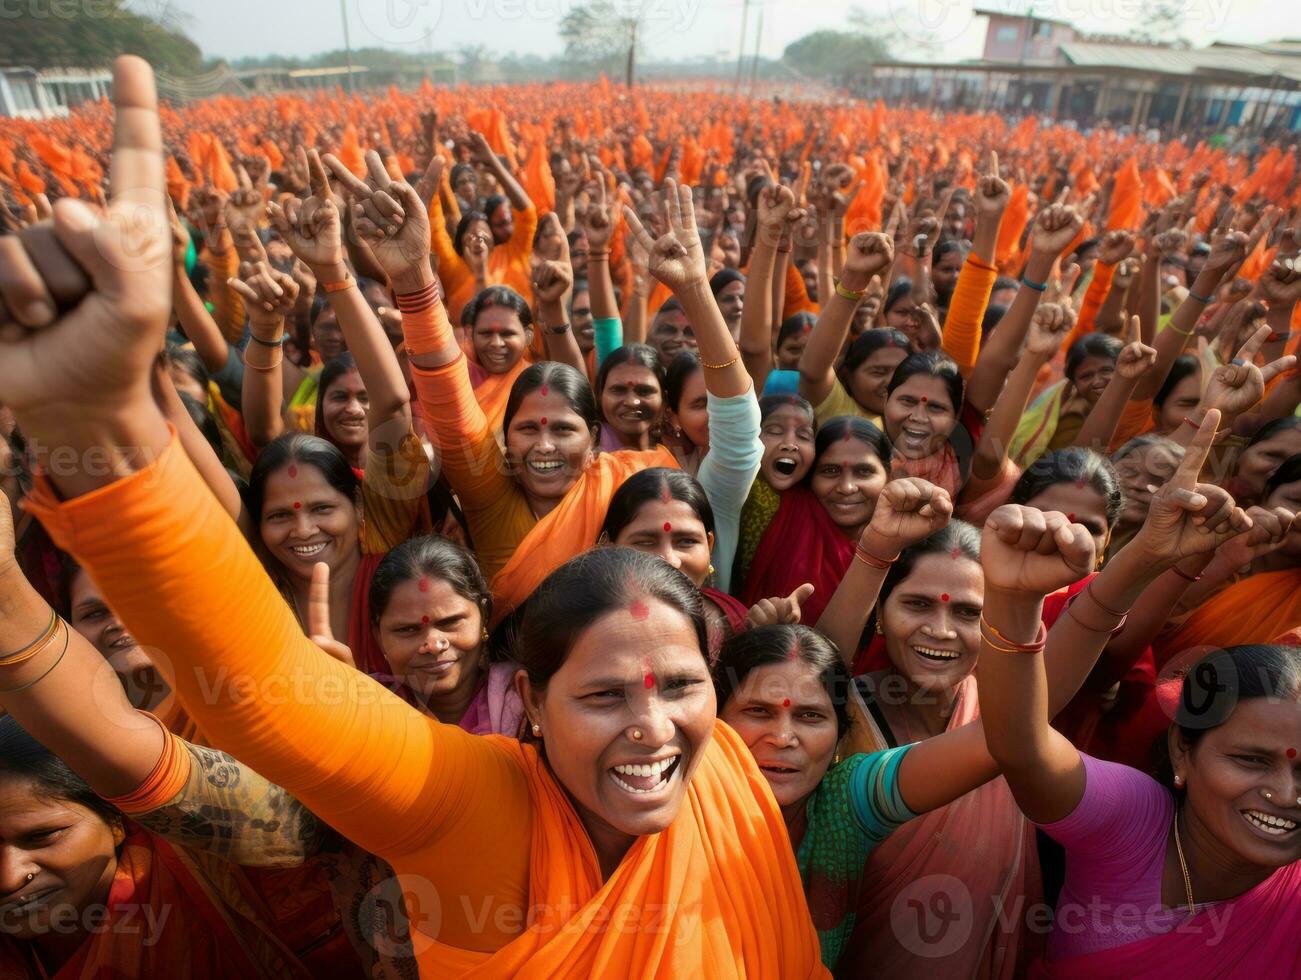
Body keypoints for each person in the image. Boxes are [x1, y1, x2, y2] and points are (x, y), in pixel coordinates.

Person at [977, 428, 1299, 975]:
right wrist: (1013, 600)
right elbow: (1020, 743)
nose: (1284, 793)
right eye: (1250, 759)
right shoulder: (1133, 821)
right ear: (1181, 753)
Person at [594, 343, 664, 452]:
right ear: (599, 395)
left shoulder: (680, 450)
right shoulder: (585, 456)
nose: (632, 402)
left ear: (664, 398)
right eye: (618, 390)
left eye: (644, 391)